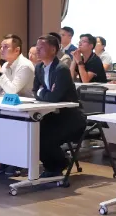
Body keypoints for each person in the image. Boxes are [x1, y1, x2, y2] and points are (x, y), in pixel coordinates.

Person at [32, 33, 86, 178]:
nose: (37, 50)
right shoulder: (39, 68)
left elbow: (54, 97)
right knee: (33, 131)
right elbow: (35, 91)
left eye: (41, 47)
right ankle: (55, 163)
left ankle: (57, 165)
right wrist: (45, 92)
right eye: (37, 47)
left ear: (53, 50)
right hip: (53, 115)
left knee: (45, 136)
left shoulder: (61, 69)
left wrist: (43, 92)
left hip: (70, 117)